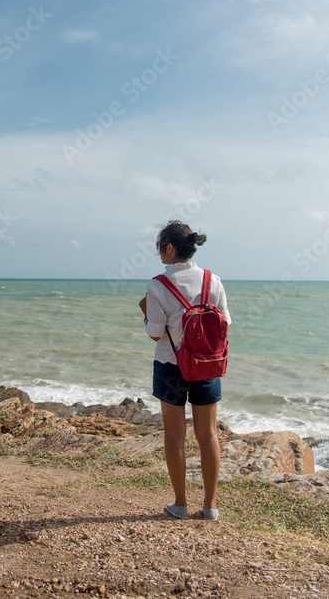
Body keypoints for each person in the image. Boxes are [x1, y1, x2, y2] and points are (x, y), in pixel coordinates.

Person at [138, 220, 230, 520]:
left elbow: (154, 333)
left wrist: (144, 311)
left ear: (169, 247)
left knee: (175, 436)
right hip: (207, 364)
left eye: (159, 248)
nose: (158, 254)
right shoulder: (212, 280)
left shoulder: (157, 285)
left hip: (170, 365)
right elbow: (224, 324)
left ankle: (179, 503)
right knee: (209, 435)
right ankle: (211, 505)